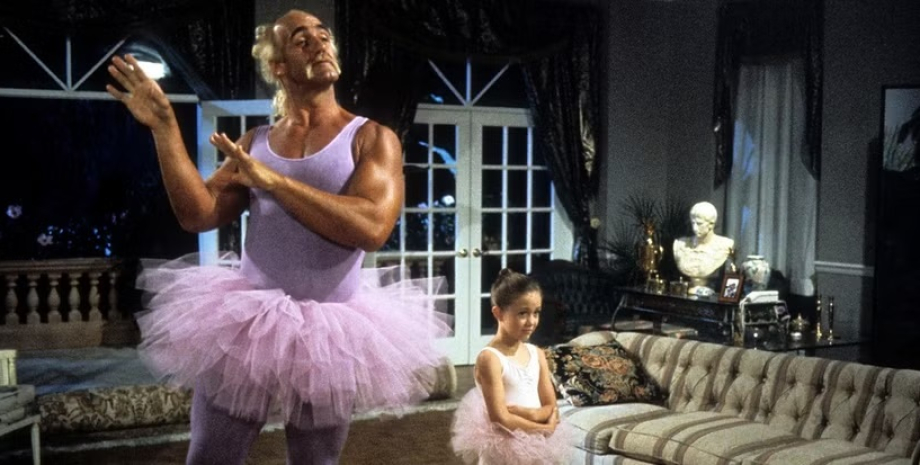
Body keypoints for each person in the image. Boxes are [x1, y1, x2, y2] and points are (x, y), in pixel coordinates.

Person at [106, 9, 450, 465]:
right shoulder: (255, 142)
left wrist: (275, 182)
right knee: (209, 457)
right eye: (302, 40)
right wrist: (166, 128)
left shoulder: (372, 138)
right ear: (279, 67)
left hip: (332, 332)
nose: (320, 44)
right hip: (247, 322)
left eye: (324, 36)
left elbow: (371, 227)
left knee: (315, 462)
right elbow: (198, 213)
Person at [451, 269, 574, 465]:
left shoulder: (537, 354)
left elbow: (551, 406)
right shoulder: (490, 358)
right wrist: (544, 428)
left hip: (538, 445)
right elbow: (500, 418)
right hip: (504, 449)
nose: (531, 321)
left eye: (536, 312)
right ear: (498, 313)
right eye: (522, 313)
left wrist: (532, 413)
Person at [672, 201, 735, 296]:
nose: (694, 228)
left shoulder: (725, 245)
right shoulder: (680, 244)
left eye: (699, 223)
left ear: (711, 224)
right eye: (693, 223)